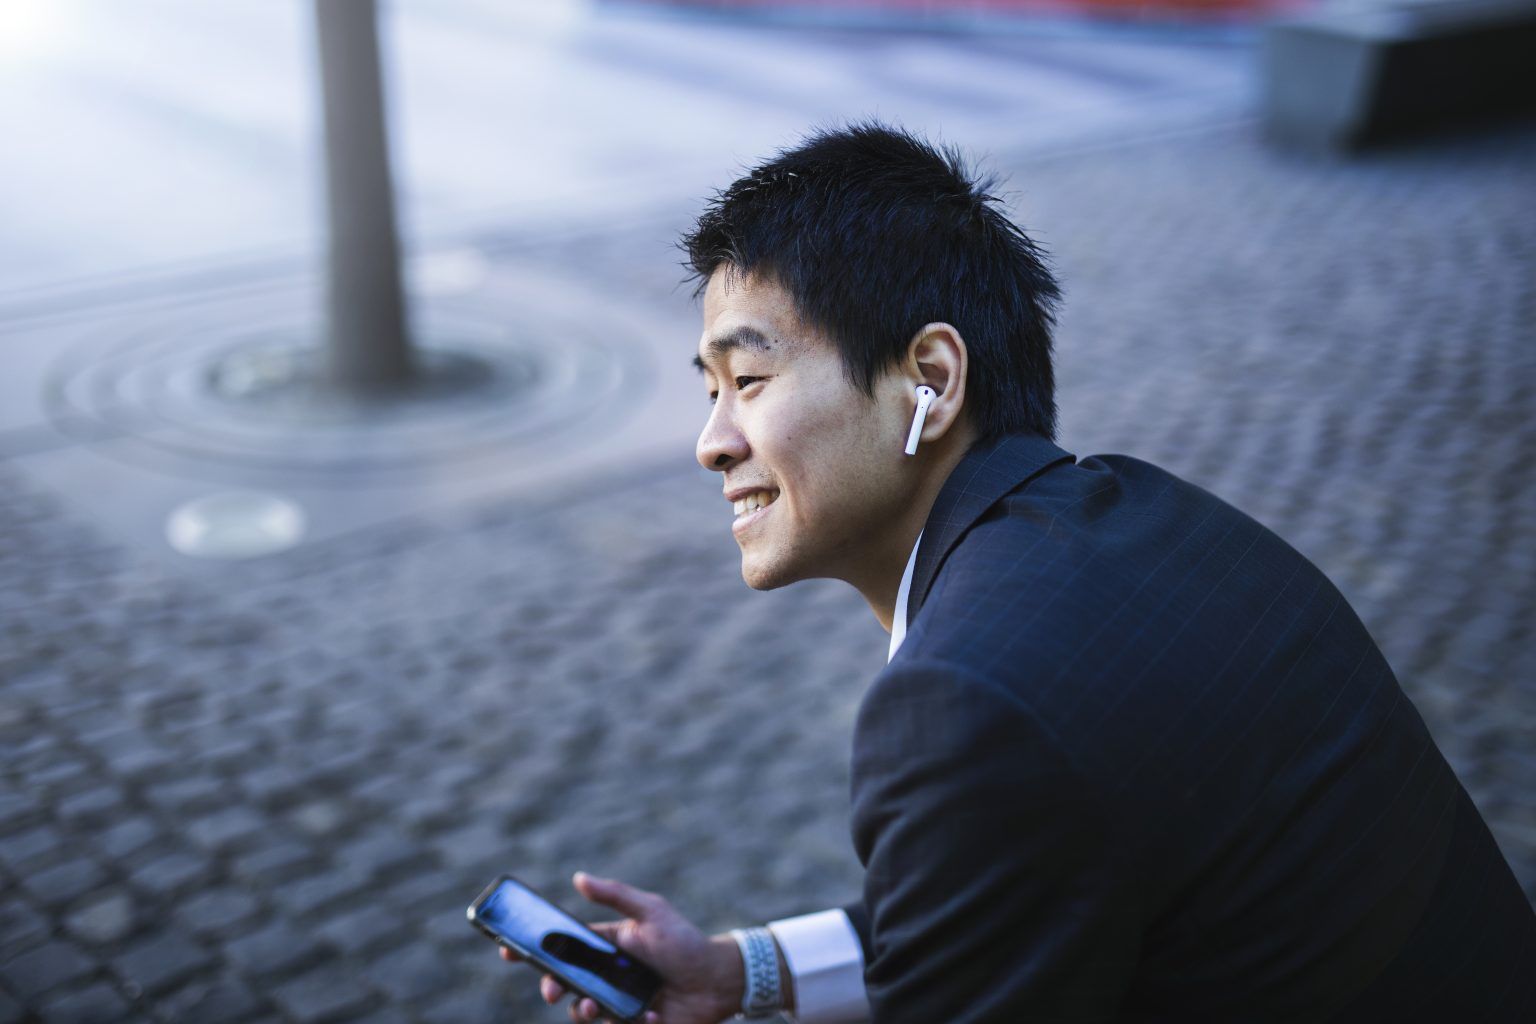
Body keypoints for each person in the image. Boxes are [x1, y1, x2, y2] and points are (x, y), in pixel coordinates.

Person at [501, 122, 1536, 1022]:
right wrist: (743, 973)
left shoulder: (964, 707)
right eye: (710, 388)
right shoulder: (1157, 515)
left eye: (752, 378)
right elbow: (1023, 884)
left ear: (932, 381)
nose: (711, 441)